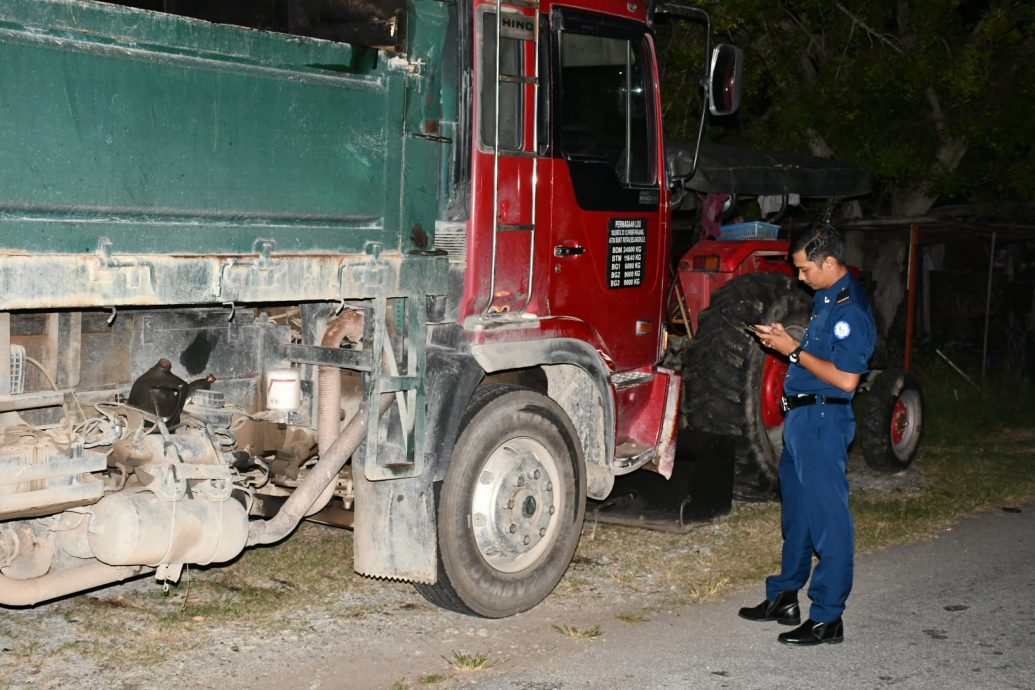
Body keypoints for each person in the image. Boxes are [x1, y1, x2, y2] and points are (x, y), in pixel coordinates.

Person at [738, 223, 876, 646]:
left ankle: (828, 616)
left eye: (803, 270)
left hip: (821, 420)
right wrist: (788, 340)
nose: (799, 278)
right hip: (800, 420)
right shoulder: (825, 298)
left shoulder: (850, 312)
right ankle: (784, 595)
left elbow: (847, 380)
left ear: (829, 263)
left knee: (828, 522)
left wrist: (792, 352)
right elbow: (821, 357)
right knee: (796, 517)